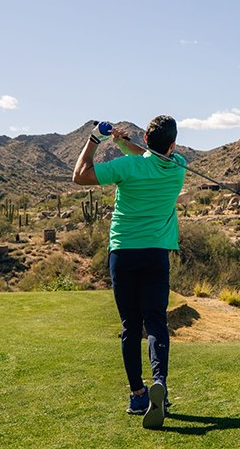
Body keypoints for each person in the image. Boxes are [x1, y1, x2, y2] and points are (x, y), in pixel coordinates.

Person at [72, 116, 186, 429]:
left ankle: (138, 394)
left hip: (123, 253)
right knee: (156, 321)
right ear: (172, 145)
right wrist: (122, 143)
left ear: (147, 141)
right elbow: (153, 156)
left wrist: (96, 139)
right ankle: (159, 380)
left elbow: (80, 176)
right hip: (156, 254)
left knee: (130, 325)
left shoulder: (127, 168)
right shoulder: (178, 166)